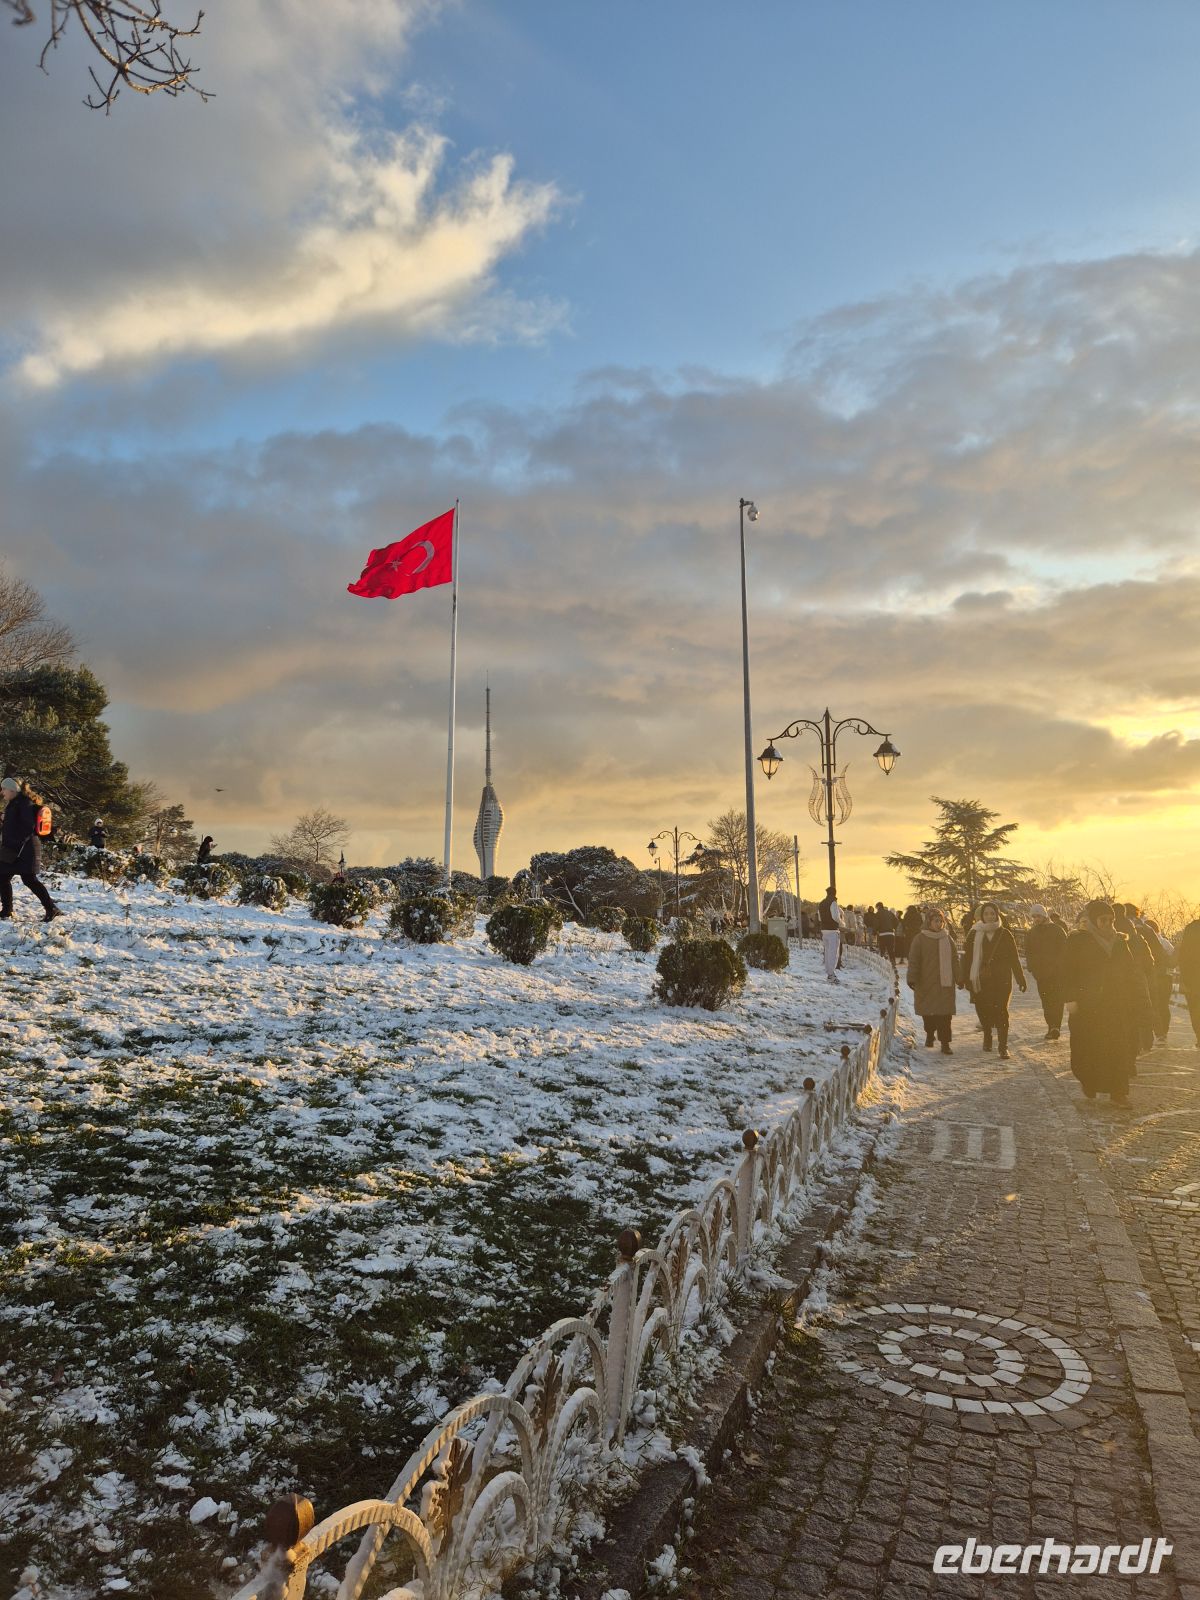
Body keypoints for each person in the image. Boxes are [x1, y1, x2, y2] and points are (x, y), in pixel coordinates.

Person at [1062, 899, 1140, 1105]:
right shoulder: (1078, 940)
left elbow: (1131, 971)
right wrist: (1070, 998)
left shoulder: (1120, 942)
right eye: (1102, 920)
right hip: (1087, 1005)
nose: (1107, 924)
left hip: (1115, 1003)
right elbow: (1068, 971)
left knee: (1118, 1047)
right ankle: (1090, 1081)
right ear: (1093, 920)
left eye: (1110, 920)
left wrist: (1135, 997)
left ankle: (1119, 1091)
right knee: (1088, 1046)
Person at [961, 902, 1027, 1059]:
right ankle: (987, 1035)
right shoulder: (973, 933)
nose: (990, 916)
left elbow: (1014, 958)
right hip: (981, 979)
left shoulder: (1005, 934)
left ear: (997, 915)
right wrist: (963, 978)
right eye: (986, 914)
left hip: (1001, 980)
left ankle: (1003, 1046)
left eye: (992, 913)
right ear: (981, 916)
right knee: (983, 1010)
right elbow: (967, 958)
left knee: (1002, 1012)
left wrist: (1020, 978)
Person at [0, 776, 61, 923]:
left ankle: (51, 908)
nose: (2, 792)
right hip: (15, 848)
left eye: (4, 789)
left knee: (30, 880)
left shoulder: (23, 803)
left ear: (12, 790)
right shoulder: (15, 803)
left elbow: (28, 827)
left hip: (25, 849)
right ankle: (7, 910)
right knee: (2, 877)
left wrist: (15, 844)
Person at [906, 907, 961, 1054]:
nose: (939, 924)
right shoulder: (920, 939)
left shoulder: (947, 939)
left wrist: (959, 977)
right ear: (929, 922)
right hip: (926, 983)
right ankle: (930, 1034)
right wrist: (912, 977)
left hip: (945, 985)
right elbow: (914, 960)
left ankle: (945, 1043)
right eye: (936, 921)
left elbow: (955, 960)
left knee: (945, 1015)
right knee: (929, 1015)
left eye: (941, 921)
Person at [1025, 903, 1067, 1040]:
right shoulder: (1031, 933)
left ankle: (1055, 1027)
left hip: (1056, 973)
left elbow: (1064, 951)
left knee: (1057, 1000)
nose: (1036, 919)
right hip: (1041, 974)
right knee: (1046, 1001)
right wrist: (1032, 968)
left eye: (1038, 916)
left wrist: (1060, 967)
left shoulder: (1057, 930)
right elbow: (1029, 952)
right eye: (1034, 916)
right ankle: (1051, 1025)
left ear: (1044, 916)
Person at [1177, 918, 1200, 1048]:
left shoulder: (1191, 928)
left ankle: (1199, 1035)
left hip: (1192, 977)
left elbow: (1183, 954)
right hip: (1192, 976)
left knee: (1195, 1009)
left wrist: (1184, 978)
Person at [818, 885, 842, 984]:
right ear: (835, 893)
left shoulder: (821, 903)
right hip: (832, 930)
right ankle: (831, 974)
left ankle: (829, 972)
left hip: (824, 929)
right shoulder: (833, 902)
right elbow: (835, 916)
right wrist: (841, 922)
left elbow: (819, 918)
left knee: (827, 952)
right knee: (833, 953)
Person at [874, 901, 899, 967]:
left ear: (878, 907)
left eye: (876, 907)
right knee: (891, 949)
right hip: (891, 934)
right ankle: (893, 962)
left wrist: (875, 931)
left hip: (882, 934)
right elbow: (896, 921)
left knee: (882, 949)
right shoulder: (890, 913)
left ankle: (882, 964)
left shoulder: (878, 914)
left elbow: (876, 924)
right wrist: (893, 927)